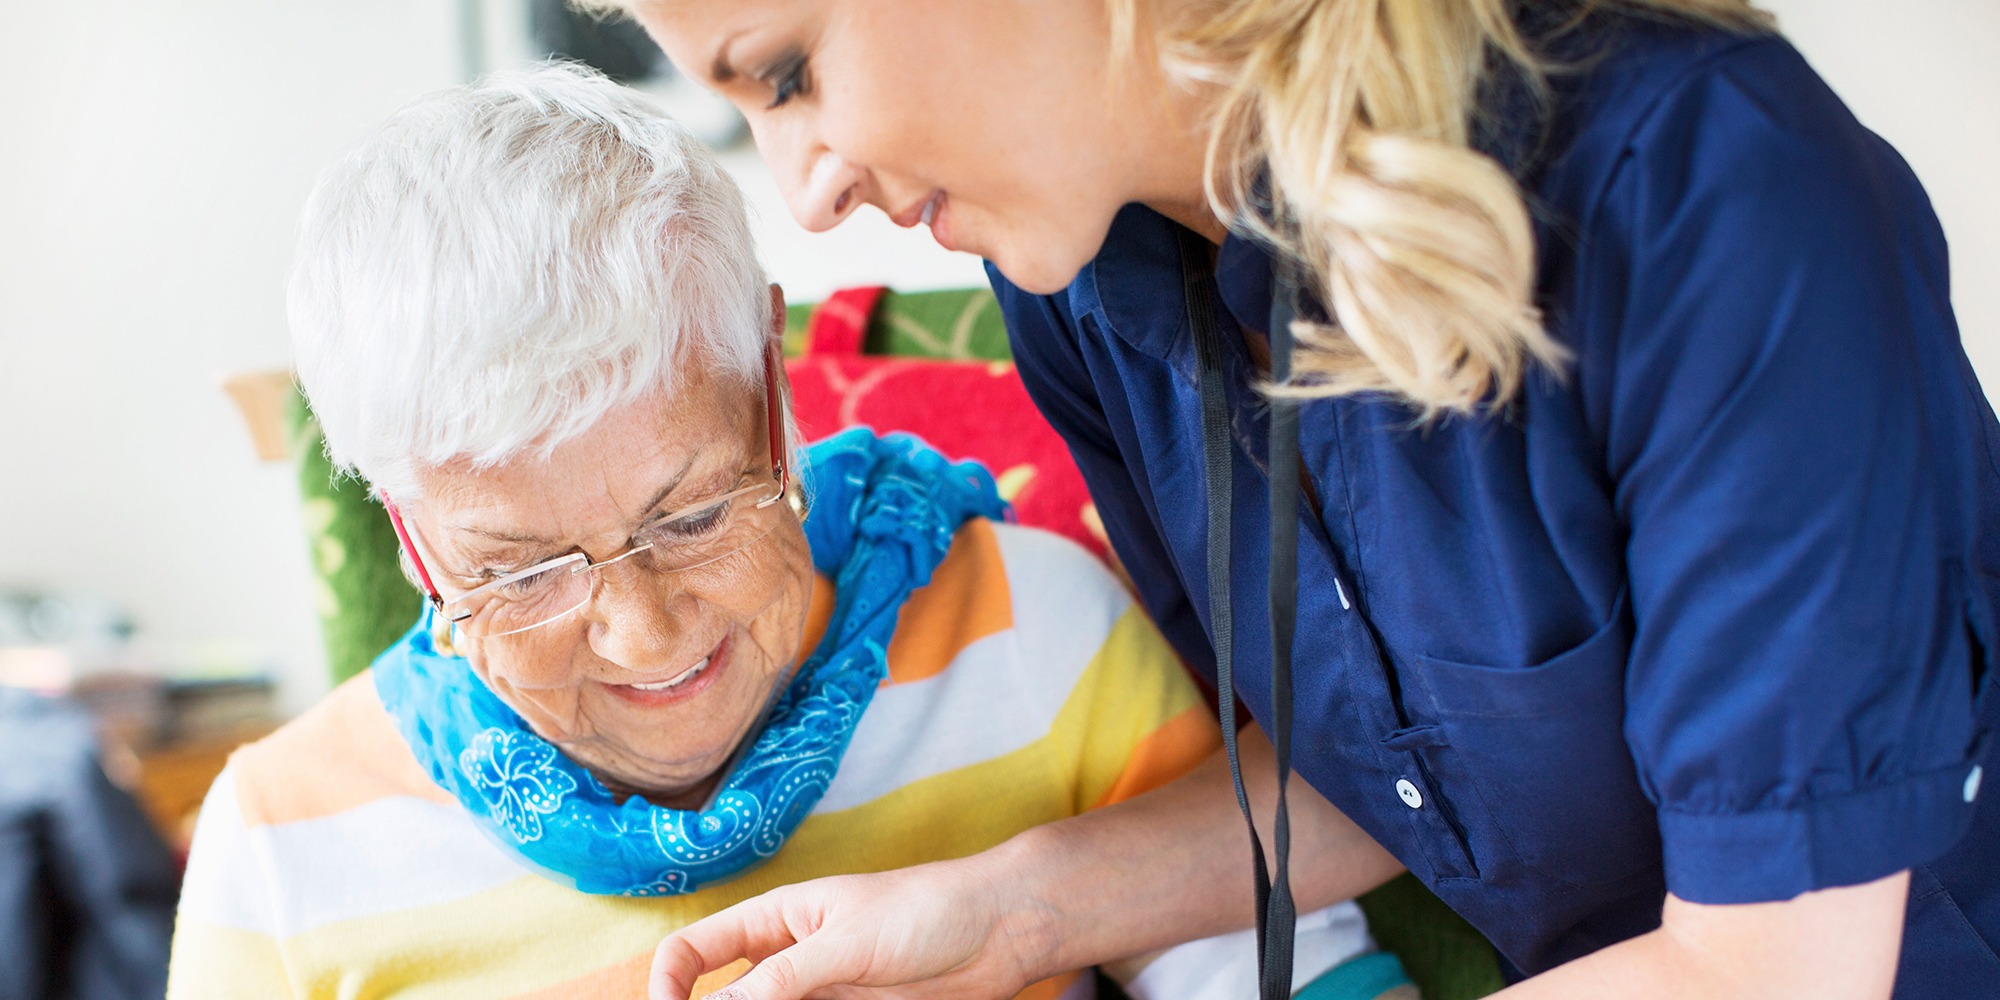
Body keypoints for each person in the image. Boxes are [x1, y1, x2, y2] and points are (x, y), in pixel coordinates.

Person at [625, 1, 2000, 998]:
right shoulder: (1084, 285)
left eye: (790, 71)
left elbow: (1773, 966)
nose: (805, 195)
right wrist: (1004, 914)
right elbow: (1421, 772)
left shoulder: (1703, 178)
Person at [162, 63, 1409, 1000]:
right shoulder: (277, 851)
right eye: (523, 572)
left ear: (771, 383)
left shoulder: (1031, 632)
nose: (647, 637)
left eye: (693, 514)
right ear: (412, 539)